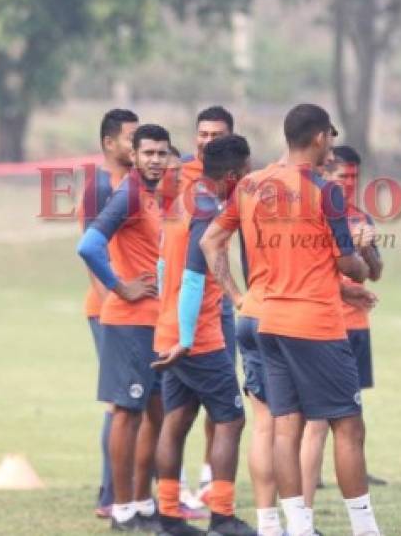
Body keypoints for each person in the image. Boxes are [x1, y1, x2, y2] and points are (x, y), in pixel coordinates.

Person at [229, 104, 380, 536]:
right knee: (348, 427)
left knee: (285, 426)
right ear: (318, 138)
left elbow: (214, 240)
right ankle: (365, 529)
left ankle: (294, 527)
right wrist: (362, 246)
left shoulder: (251, 185)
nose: (331, 144)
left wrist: (239, 295)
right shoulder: (325, 192)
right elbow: (350, 267)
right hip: (314, 323)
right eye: (329, 137)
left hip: (267, 321)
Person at [152, 134, 257, 536]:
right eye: (245, 171)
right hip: (197, 337)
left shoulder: (183, 197)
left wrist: (168, 318)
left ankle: (168, 517)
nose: (248, 176)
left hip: (170, 327)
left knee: (176, 419)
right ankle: (222, 517)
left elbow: (164, 264)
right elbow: (194, 278)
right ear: (231, 175)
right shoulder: (207, 209)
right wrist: (186, 338)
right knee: (230, 420)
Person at [77, 124, 171, 531]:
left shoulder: (151, 197)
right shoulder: (129, 193)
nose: (154, 159)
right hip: (129, 322)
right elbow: (88, 245)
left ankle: (142, 503)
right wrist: (121, 287)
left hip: (154, 323)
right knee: (127, 414)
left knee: (155, 413)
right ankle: (120, 509)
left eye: (161, 153)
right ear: (133, 155)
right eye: (147, 152)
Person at [200, 156, 286, 536]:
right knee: (294, 426)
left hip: (250, 312)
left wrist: (236, 297)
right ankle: (300, 524)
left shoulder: (245, 194)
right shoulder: (286, 191)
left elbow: (209, 241)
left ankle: (269, 524)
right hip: (282, 314)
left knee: (263, 425)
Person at [301, 145, 384, 520]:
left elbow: (376, 271)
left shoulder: (360, 215)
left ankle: (351, 470)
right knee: (316, 419)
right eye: (341, 176)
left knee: (351, 413)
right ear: (327, 174)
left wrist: (369, 250)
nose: (347, 183)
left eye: (353, 177)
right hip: (323, 323)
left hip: (355, 324)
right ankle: (306, 497)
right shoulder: (317, 209)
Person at [77, 108, 138, 518]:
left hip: (138, 311)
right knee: (121, 402)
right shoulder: (99, 187)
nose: (137, 145)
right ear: (109, 143)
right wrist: (111, 298)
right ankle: (110, 496)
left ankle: (130, 491)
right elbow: (89, 250)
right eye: (131, 138)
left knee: (137, 401)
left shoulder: (135, 185)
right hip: (109, 309)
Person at [178, 105, 237, 505]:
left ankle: (206, 480)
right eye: (203, 134)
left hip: (221, 307)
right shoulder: (175, 177)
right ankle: (173, 487)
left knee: (219, 403)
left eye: (217, 135)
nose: (208, 141)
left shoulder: (238, 182)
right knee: (174, 406)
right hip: (184, 302)